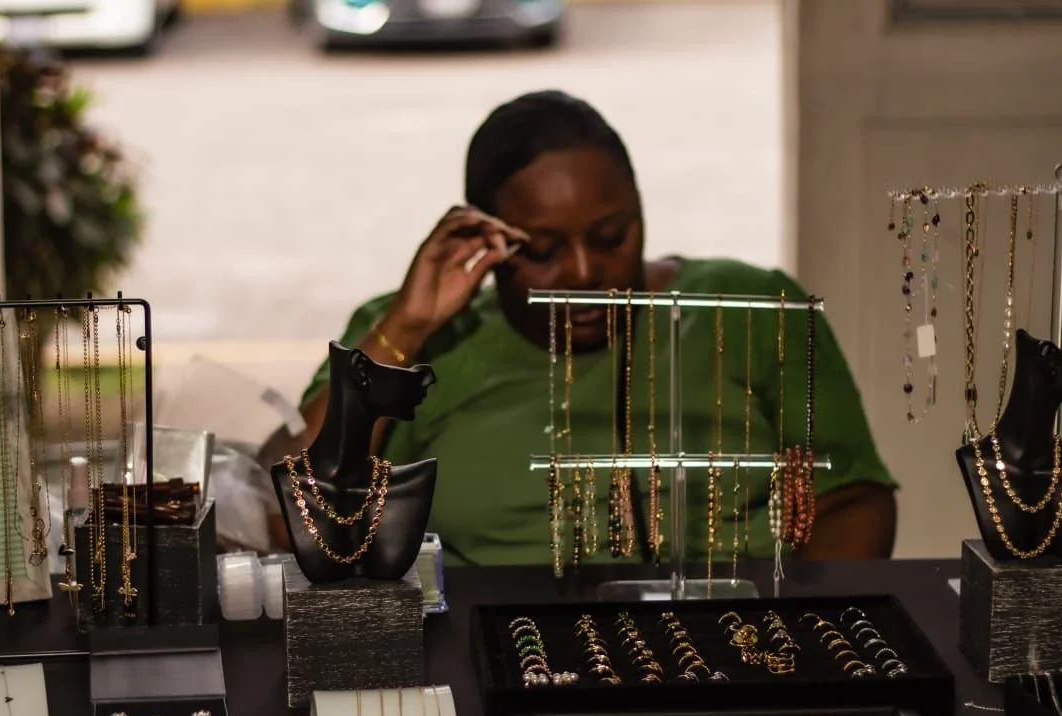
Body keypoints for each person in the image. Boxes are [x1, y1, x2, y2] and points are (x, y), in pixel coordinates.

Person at [266, 90, 897, 568]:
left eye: (610, 236)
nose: (586, 271)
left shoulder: (754, 306)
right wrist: (407, 326)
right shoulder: (419, 338)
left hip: (736, 638)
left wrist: (794, 639)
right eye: (542, 249)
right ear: (489, 239)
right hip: (494, 651)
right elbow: (292, 511)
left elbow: (853, 499)